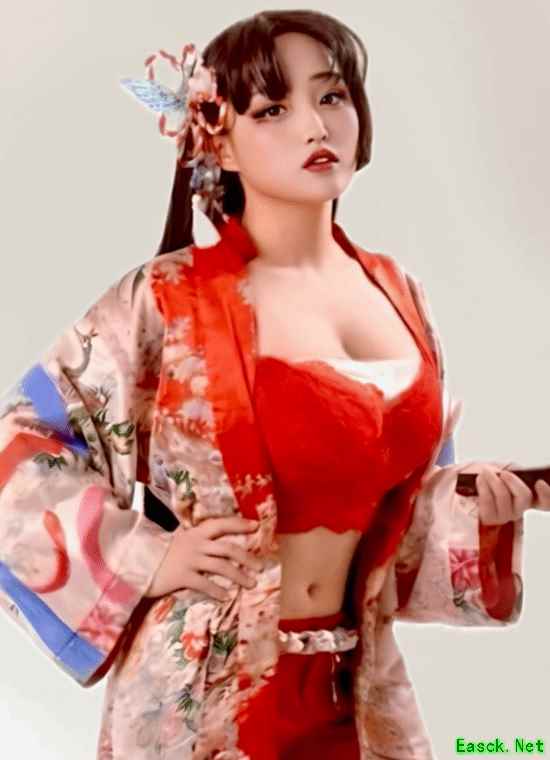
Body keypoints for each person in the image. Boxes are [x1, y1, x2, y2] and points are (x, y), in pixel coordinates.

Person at [1, 9, 548, 759]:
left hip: (356, 687)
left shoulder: (401, 294)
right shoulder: (165, 300)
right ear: (218, 141)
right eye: (273, 109)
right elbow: (18, 445)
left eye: (331, 96)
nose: (315, 126)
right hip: (202, 694)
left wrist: (479, 504)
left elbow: (397, 526)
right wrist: (146, 557)